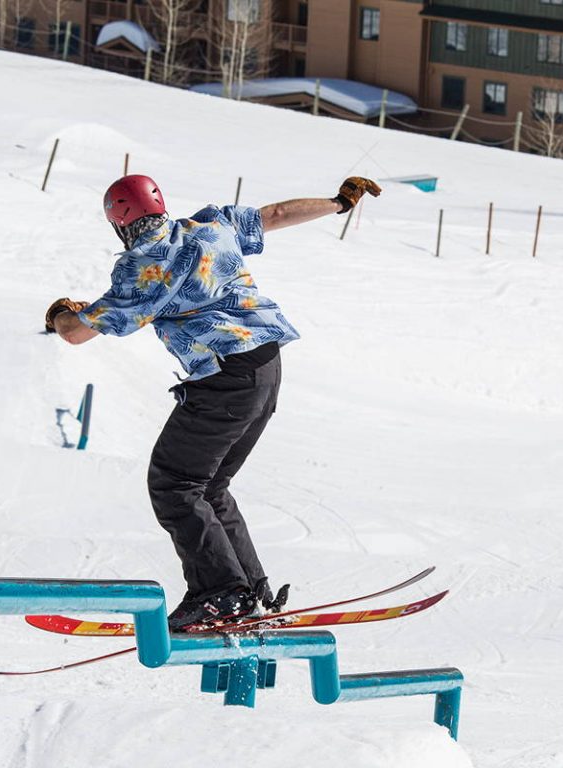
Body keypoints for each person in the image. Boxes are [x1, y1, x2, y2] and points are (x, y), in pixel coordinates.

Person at [44, 174, 383, 630]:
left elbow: (75, 333)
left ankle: (222, 594)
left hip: (225, 378)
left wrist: (62, 311)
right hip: (266, 367)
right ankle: (250, 591)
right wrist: (338, 203)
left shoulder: (139, 268)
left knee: (174, 484)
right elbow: (275, 215)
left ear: (119, 223)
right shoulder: (209, 228)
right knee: (209, 487)